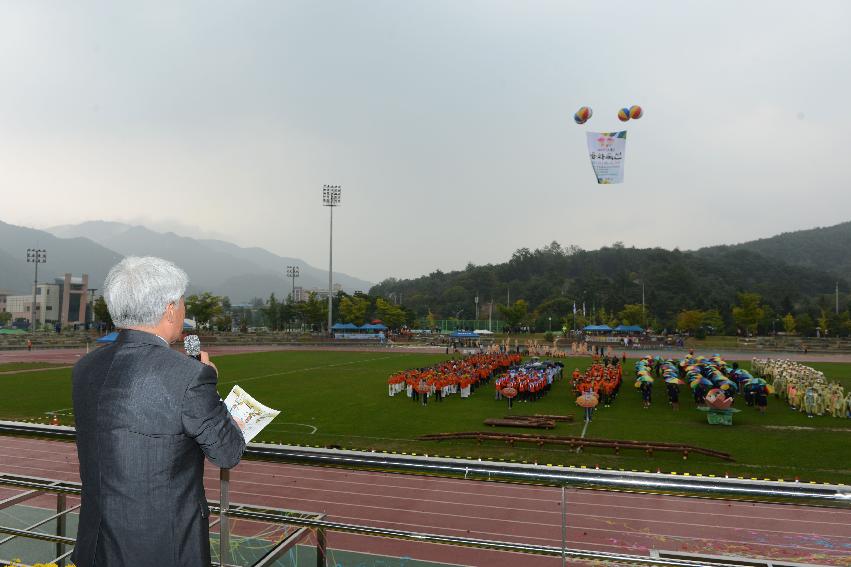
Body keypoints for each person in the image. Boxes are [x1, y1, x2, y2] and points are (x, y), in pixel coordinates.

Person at [71, 257, 246, 567]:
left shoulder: (86, 367)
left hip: (95, 545)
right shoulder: (189, 375)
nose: (183, 312)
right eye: (182, 305)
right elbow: (227, 451)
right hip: (166, 548)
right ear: (169, 310)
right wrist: (211, 385)